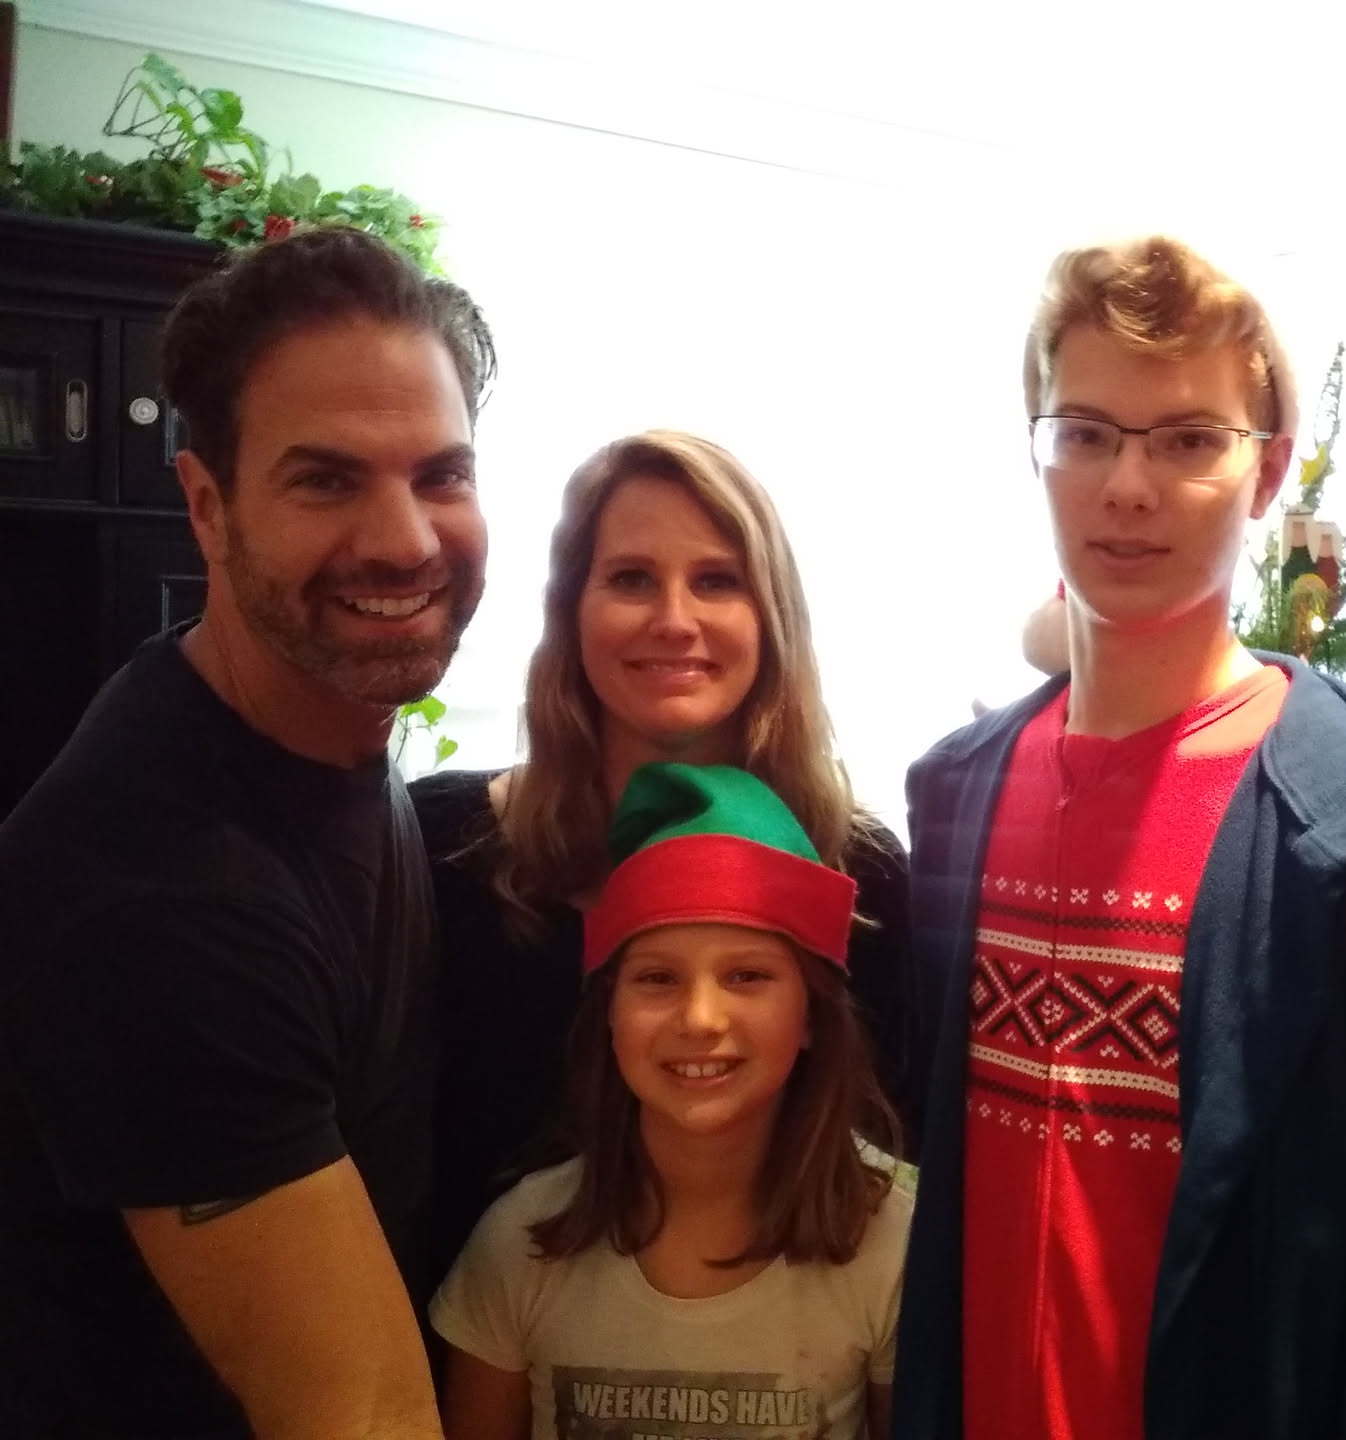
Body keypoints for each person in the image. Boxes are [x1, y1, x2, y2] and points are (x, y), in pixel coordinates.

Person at [893, 235, 1346, 1440]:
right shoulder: (952, 799)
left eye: (1189, 440)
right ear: (1036, 448)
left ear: (1267, 468)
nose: (1128, 486)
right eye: (1086, 433)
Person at [0, 226, 494, 1439]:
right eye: (326, 480)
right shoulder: (157, 896)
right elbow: (362, 1416)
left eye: (441, 474)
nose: (405, 539)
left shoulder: (304, 726)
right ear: (208, 507)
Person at [412, 430, 912, 1297]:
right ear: (572, 609)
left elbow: (891, 1165)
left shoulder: (862, 878)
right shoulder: (442, 848)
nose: (675, 620)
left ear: (771, 616)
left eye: (716, 580)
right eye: (632, 578)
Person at [431, 762, 910, 1440]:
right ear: (610, 1012)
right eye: (657, 978)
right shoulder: (519, 1247)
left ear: (811, 1014)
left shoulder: (890, 1251)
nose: (701, 1018)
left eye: (747, 976)